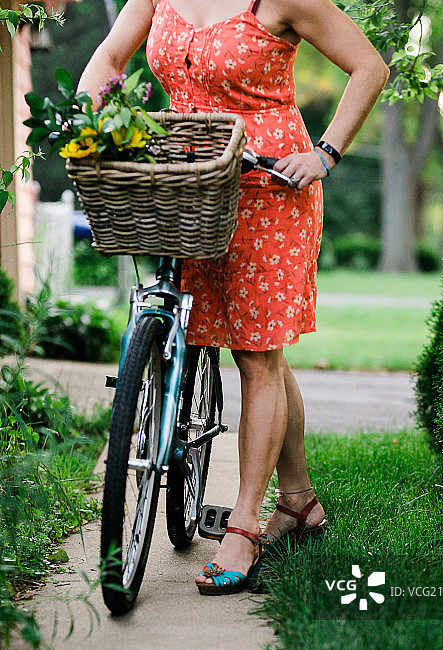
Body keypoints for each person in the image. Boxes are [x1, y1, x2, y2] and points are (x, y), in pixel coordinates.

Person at [78, 0, 389, 595]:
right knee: (261, 351)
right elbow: (112, 56)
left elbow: (369, 68)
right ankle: (298, 502)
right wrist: (86, 120)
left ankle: (244, 527)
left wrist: (325, 152)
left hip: (268, 186)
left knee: (256, 355)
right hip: (188, 183)